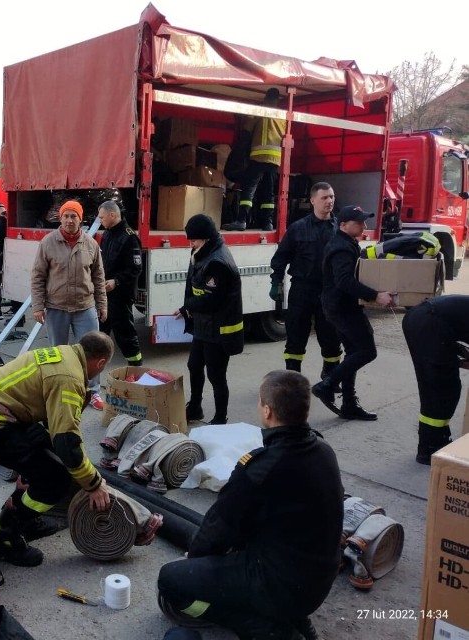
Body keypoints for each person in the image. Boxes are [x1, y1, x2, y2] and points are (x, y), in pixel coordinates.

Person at [157, 370, 343, 640]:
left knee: (170, 581)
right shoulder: (323, 451)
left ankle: (259, 626)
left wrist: (197, 562)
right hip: (317, 580)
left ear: (267, 411)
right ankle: (290, 616)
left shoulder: (259, 469)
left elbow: (217, 528)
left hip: (278, 585)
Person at [0, 331, 114, 567]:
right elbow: (67, 444)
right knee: (56, 479)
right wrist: (93, 484)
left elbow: (55, 425)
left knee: (44, 457)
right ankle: (5, 537)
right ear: (100, 362)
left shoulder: (64, 353)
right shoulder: (69, 378)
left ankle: (27, 518)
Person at [312, 205, 395, 420]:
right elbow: (344, 281)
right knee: (367, 351)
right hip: (343, 309)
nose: (364, 225)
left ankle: (349, 403)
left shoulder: (346, 242)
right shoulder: (341, 247)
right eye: (359, 222)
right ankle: (327, 384)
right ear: (343, 225)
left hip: (339, 307)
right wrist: (375, 295)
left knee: (353, 353)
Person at [31, 200, 108, 410]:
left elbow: (98, 278)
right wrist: (38, 306)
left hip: (85, 307)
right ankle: (58, 389)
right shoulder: (48, 243)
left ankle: (93, 392)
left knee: (93, 351)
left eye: (74, 216)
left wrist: (102, 305)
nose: (69, 220)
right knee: (57, 353)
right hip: (57, 308)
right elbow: (38, 276)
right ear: (60, 218)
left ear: (80, 219)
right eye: (66, 216)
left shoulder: (91, 244)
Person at [269, 182, 342, 378]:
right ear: (312, 201)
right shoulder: (298, 228)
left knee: (331, 337)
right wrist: (276, 282)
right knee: (296, 336)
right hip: (302, 290)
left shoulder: (340, 229)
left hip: (329, 292)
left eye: (332, 197)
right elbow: (280, 258)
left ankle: (330, 377)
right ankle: (293, 378)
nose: (329, 201)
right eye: (324, 197)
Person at [176, 214, 243, 425]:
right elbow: (196, 288)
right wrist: (185, 308)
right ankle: (195, 407)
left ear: (205, 238)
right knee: (194, 365)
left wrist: (189, 306)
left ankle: (220, 418)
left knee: (216, 375)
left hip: (219, 330)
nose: (190, 243)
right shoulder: (202, 252)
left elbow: (211, 301)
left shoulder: (217, 262)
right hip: (204, 326)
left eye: (193, 239)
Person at [402, 295, 469, 464]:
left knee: (431, 386)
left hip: (419, 318)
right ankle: (430, 448)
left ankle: (433, 442)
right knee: (444, 389)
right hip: (431, 324)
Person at [222, 88, 286, 232]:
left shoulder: (259, 111)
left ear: (265, 97)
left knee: (249, 189)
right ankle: (267, 223)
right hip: (275, 159)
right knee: (268, 191)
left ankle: (241, 220)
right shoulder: (282, 115)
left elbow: (246, 130)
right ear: (278, 99)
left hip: (258, 156)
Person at [99, 200, 144, 366]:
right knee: (100, 332)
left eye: (102, 217)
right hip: (105, 294)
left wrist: (116, 281)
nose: (100, 220)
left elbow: (135, 268)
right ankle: (96, 365)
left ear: (113, 215)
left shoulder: (129, 237)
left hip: (121, 295)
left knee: (124, 333)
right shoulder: (107, 234)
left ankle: (135, 367)